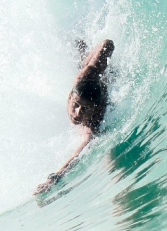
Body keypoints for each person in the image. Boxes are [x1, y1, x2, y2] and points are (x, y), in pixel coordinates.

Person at [34, 39, 115, 194]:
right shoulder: (84, 76)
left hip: (101, 92)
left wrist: (54, 178)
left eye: (85, 109)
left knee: (109, 76)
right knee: (83, 56)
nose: (78, 113)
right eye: (76, 105)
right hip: (90, 75)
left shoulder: (92, 123)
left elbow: (78, 153)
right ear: (70, 96)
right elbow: (108, 43)